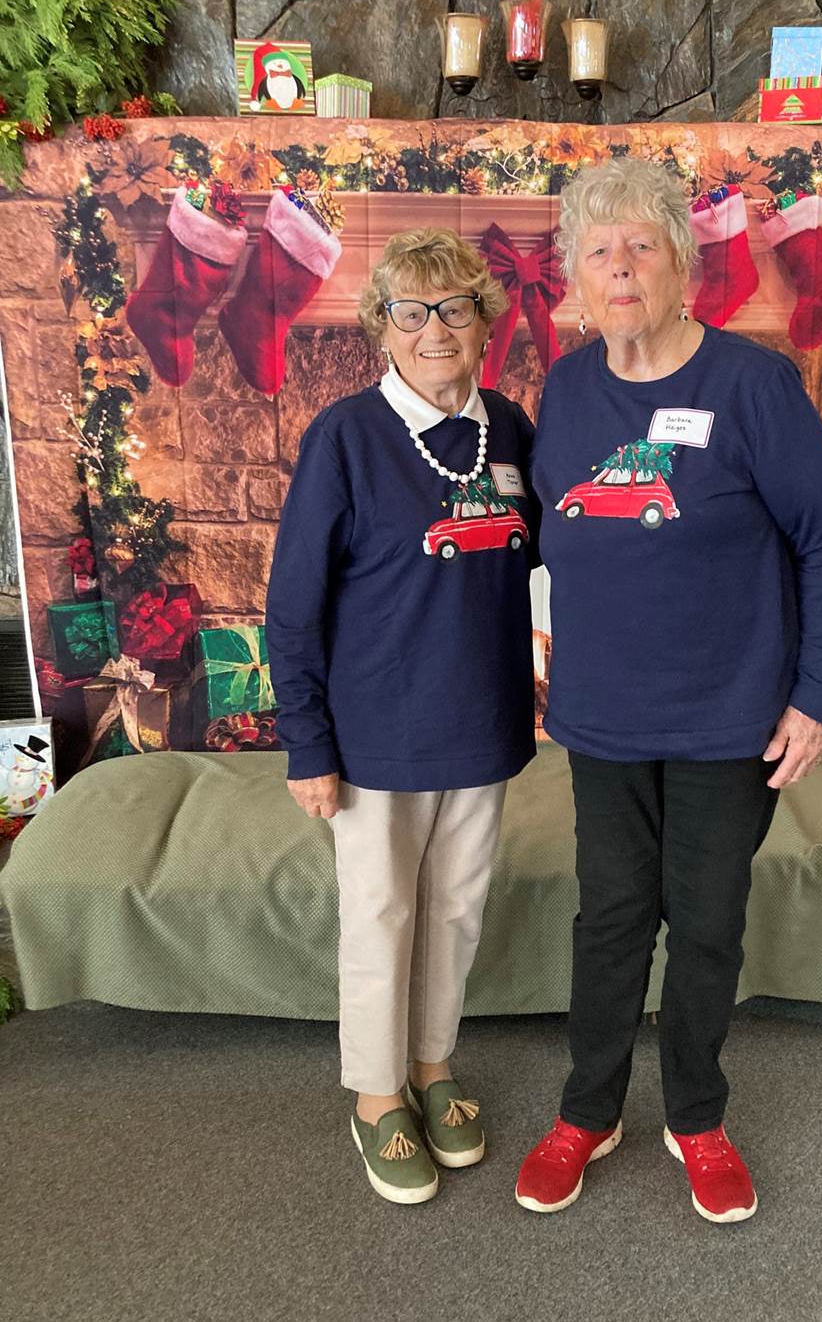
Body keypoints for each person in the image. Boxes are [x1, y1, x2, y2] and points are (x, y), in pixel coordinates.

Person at [516, 159, 822, 1223]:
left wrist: (813, 696)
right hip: (604, 716)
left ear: (682, 265)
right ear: (576, 274)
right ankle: (589, 1108)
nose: (619, 267)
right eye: (598, 249)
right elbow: (553, 532)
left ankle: (698, 1117)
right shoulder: (566, 388)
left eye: (641, 245)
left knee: (706, 920)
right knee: (611, 914)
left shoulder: (755, 388)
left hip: (728, 717)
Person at [266, 227, 538, 1206]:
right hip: (375, 734)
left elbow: (551, 559)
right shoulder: (343, 438)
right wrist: (307, 742)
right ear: (383, 326)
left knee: (457, 911)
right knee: (381, 914)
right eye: (412, 311)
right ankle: (377, 1092)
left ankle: (431, 1063)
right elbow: (292, 606)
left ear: (483, 322)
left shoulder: (508, 427)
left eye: (455, 307)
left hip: (484, 722)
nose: (435, 330)